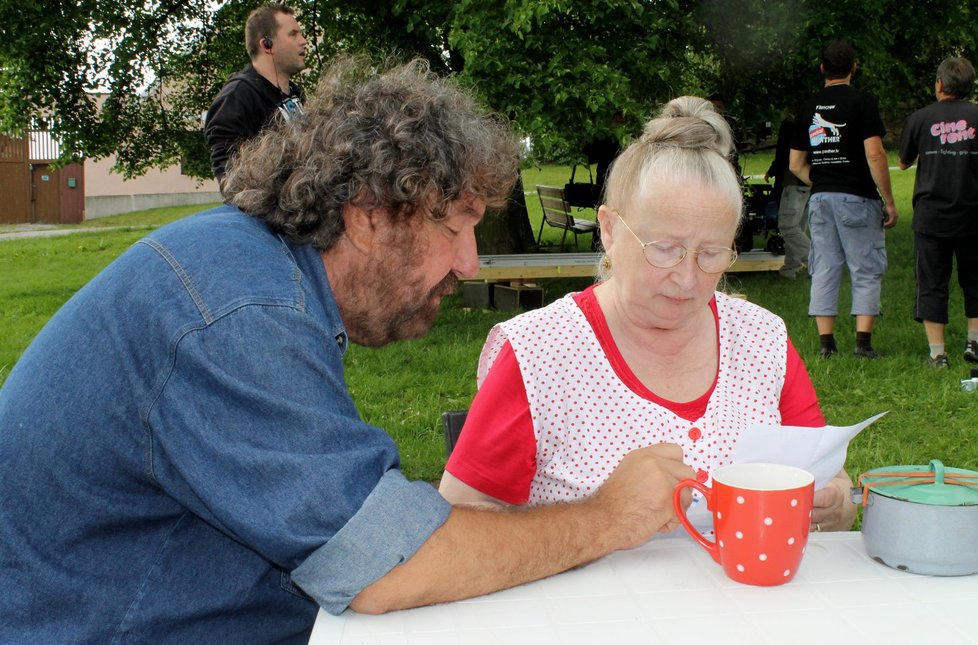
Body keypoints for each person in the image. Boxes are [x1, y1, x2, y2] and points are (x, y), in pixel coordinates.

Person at [0, 57, 696, 643]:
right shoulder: (240, 315)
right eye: (456, 226)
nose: (471, 263)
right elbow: (387, 566)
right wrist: (612, 516)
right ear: (369, 218)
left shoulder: (256, 272)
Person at [439, 96, 856, 537]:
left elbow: (831, 479)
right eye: (664, 249)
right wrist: (603, 516)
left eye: (711, 254)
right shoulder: (540, 354)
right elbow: (461, 521)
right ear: (610, 229)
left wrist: (835, 503)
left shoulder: (760, 339)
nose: (687, 279)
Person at [789, 41, 899, 359]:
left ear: (822, 68)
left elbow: (796, 164)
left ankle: (827, 345)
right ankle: (862, 344)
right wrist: (888, 201)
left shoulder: (809, 107)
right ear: (854, 67)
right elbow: (875, 153)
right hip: (858, 198)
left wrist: (822, 181)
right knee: (865, 266)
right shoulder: (863, 102)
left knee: (824, 266)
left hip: (820, 199)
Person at [898, 56, 978, 368]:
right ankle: (974, 343)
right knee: (975, 280)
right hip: (973, 215)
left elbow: (903, 162)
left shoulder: (920, 119)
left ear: (939, 84)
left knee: (932, 283)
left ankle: (937, 354)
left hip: (931, 216)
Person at [205, 2, 307, 191]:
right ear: (267, 45)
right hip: (270, 217)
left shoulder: (294, 93)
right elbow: (231, 183)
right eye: (293, 34)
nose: (303, 41)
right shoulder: (237, 97)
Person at [765, 112, 812, 279]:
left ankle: (816, 263)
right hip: (809, 180)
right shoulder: (810, 120)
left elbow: (783, 152)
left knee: (788, 226)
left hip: (794, 181)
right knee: (797, 227)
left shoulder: (790, 125)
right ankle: (790, 268)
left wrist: (773, 169)